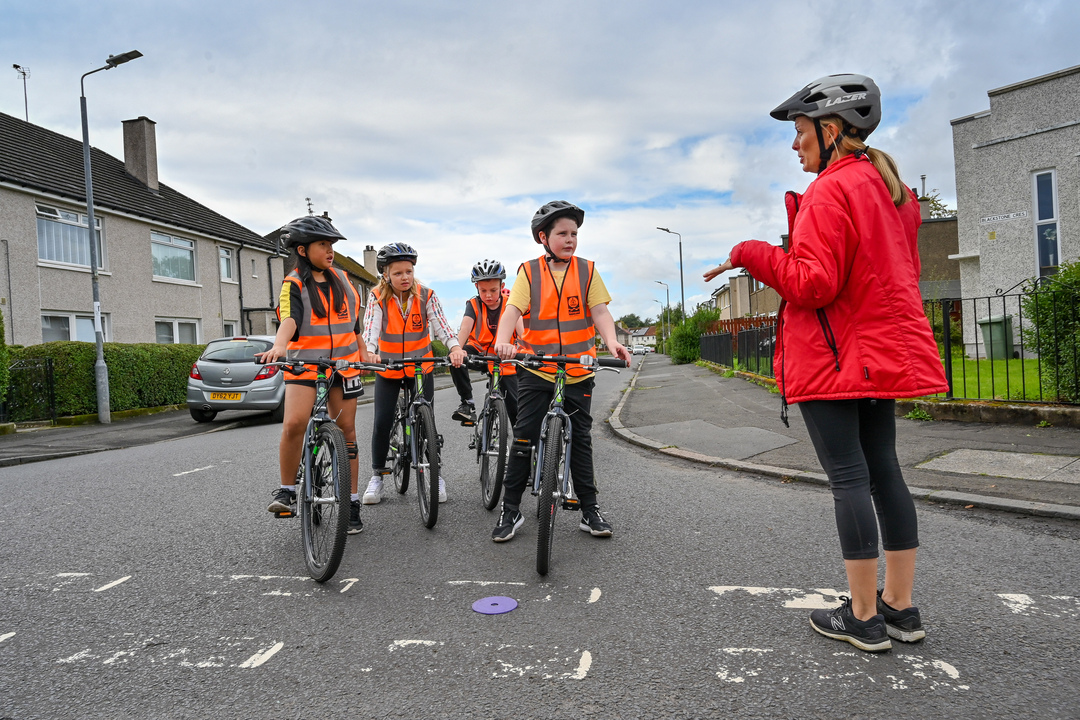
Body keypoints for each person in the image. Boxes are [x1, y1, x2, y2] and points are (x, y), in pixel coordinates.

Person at [704, 74, 948, 652]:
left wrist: (750, 252)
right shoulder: (892, 191)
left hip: (834, 358)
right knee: (885, 471)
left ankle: (862, 616)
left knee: (849, 479)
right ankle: (899, 607)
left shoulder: (830, 190)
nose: (795, 144)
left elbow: (813, 284)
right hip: (877, 355)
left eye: (800, 131)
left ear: (831, 128)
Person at [491, 201, 632, 542]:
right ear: (544, 237)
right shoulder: (529, 272)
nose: (570, 240)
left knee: (581, 440)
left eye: (574, 234)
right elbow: (512, 310)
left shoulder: (587, 270)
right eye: (562, 234)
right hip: (537, 368)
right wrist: (502, 341)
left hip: (578, 370)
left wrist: (612, 341)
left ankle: (590, 509)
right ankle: (511, 510)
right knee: (523, 437)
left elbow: (600, 312)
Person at [259, 216, 370, 535]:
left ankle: (351, 502)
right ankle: (287, 491)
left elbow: (354, 325)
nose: (330, 250)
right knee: (295, 423)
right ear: (303, 250)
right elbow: (289, 319)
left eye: (331, 244)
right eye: (323, 245)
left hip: (344, 366)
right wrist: (280, 345)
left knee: (347, 431)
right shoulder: (293, 283)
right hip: (305, 365)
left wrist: (364, 352)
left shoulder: (344, 279)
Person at [361, 243, 467, 505]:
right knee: (382, 421)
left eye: (408, 271)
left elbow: (442, 326)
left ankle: (435, 474)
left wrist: (454, 347)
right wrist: (370, 351)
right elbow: (371, 328)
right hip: (389, 367)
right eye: (398, 273)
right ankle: (377, 476)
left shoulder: (426, 295)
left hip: (421, 367)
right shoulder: (377, 296)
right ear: (386, 275)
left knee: (427, 420)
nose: (405, 277)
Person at [448, 259, 524, 428]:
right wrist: (456, 349)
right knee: (455, 357)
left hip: (505, 358)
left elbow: (522, 334)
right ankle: (467, 403)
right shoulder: (473, 305)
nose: (488, 295)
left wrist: (522, 350)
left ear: (502, 286)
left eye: (493, 290)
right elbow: (465, 329)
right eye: (483, 290)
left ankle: (519, 439)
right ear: (476, 287)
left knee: (516, 410)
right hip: (479, 353)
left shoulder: (511, 304)